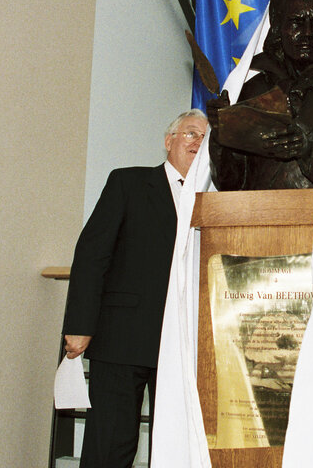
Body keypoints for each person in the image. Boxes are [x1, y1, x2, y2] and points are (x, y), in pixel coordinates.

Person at [61, 109, 209, 467]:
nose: (197, 142)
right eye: (190, 133)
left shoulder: (215, 199)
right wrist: (80, 325)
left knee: (176, 448)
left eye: (205, 139)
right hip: (122, 340)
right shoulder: (127, 183)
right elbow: (92, 255)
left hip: (185, 345)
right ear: (168, 140)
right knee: (110, 445)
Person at [207, 0, 313, 190]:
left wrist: (308, 149)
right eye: (296, 22)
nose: (306, 33)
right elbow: (228, 184)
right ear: (277, 26)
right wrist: (223, 134)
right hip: (257, 218)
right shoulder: (252, 89)